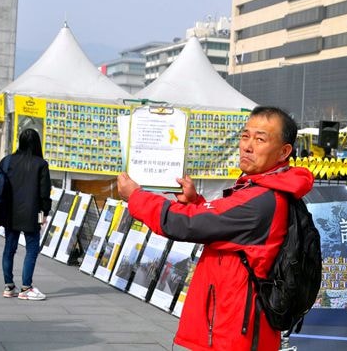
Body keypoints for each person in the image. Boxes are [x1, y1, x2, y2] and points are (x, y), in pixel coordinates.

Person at [117, 106, 314, 350]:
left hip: (234, 332)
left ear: (284, 152)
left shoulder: (261, 200)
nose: (247, 146)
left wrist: (136, 197)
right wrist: (195, 202)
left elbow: (187, 224)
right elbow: (222, 227)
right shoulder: (260, 190)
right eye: (245, 136)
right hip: (231, 323)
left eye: (260, 139)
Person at [0, 129, 52, 300]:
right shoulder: (40, 164)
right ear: (37, 143)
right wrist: (44, 214)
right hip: (32, 213)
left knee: (9, 248)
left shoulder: (8, 161)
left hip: (9, 212)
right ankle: (26, 287)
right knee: (31, 249)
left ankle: (9, 287)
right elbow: (44, 193)